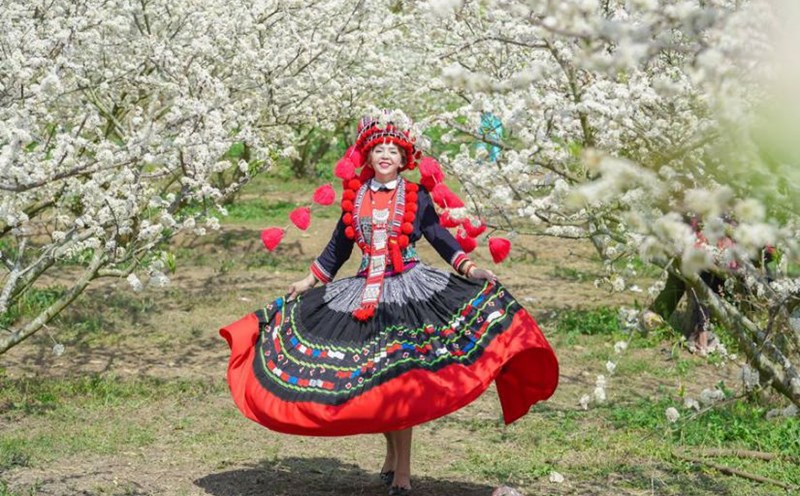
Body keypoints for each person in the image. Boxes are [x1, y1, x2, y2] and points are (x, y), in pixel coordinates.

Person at [219, 111, 559, 496]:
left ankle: (403, 474)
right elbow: (336, 250)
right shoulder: (355, 198)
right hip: (363, 295)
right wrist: (308, 280)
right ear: (368, 157)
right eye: (378, 149)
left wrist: (471, 268)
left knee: (400, 383)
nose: (384, 156)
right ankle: (391, 456)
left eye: (392, 151)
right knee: (376, 380)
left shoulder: (416, 196)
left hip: (410, 293)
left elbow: (441, 240)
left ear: (403, 159)